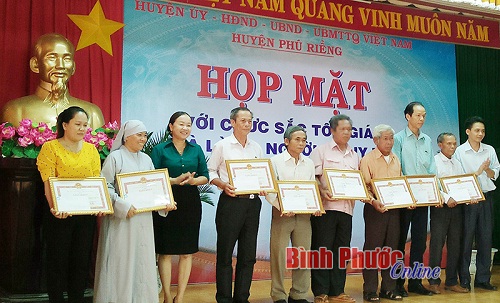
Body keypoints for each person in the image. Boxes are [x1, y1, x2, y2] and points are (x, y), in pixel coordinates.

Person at [93, 120, 176, 303]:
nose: (143, 139)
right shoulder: (115, 158)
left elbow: (155, 187)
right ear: (127, 136)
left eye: (145, 135)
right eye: (139, 135)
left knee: (143, 262)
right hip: (122, 222)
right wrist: (122, 206)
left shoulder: (146, 159)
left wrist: (164, 202)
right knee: (121, 262)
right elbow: (105, 186)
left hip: (144, 220)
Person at [36, 106, 101, 303]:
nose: (82, 129)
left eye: (85, 125)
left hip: (86, 216)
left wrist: (98, 204)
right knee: (58, 262)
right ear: (65, 125)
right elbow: (48, 183)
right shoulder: (50, 147)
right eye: (78, 124)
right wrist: (54, 208)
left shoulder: (91, 150)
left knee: (81, 262)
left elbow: (95, 181)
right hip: (60, 215)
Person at [207, 106, 264, 303]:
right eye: (243, 121)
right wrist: (222, 185)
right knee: (225, 254)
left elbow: (260, 174)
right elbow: (210, 172)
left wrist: (263, 185)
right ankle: (224, 298)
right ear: (232, 122)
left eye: (250, 121)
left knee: (248, 255)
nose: (247, 124)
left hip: (252, 204)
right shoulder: (222, 146)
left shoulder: (256, 147)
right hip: (230, 203)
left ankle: (242, 297)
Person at [151, 111, 209, 303]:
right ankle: (167, 296)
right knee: (166, 251)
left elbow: (205, 175)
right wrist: (174, 180)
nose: (185, 128)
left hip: (190, 202)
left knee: (186, 251)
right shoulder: (160, 150)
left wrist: (193, 181)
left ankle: (180, 297)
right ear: (171, 126)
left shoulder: (196, 149)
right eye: (181, 124)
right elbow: (153, 178)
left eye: (188, 125)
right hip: (166, 200)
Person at [0, 33, 104, 129]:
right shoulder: (15, 110)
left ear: (73, 67)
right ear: (35, 64)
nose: (60, 66)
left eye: (66, 59)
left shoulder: (92, 113)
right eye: (52, 58)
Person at [309, 114, 358, 303]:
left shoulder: (354, 155)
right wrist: (321, 190)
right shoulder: (321, 151)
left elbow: (358, 182)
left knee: (341, 251)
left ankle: (337, 291)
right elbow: (312, 178)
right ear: (333, 130)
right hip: (326, 210)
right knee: (323, 250)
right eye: (343, 129)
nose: (347, 133)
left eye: (350, 129)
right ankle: (320, 292)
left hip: (347, 210)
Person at [267, 126, 318, 303]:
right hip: (282, 214)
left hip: (304, 216)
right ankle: (279, 294)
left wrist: (315, 205)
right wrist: (280, 206)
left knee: (303, 255)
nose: (301, 143)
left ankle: (299, 294)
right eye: (297, 139)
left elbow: (312, 187)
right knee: (279, 255)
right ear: (286, 141)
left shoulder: (309, 163)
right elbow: (269, 190)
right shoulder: (275, 161)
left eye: (304, 140)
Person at [392, 102, 435, 296]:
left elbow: (431, 169)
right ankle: (398, 283)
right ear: (407, 116)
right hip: (405, 199)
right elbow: (396, 168)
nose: (421, 119)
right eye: (418, 115)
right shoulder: (398, 139)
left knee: (419, 241)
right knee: (400, 241)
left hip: (423, 198)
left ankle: (416, 282)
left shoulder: (427, 140)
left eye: (424, 115)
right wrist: (405, 194)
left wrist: (434, 192)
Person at [455, 116, 500, 291]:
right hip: (467, 199)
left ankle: (483, 278)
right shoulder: (459, 151)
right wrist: (479, 170)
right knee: (466, 239)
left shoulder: (489, 150)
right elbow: (459, 178)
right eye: (477, 130)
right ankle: (464, 279)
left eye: (482, 131)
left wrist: (487, 169)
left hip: (486, 197)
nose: (480, 133)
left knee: (485, 238)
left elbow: (495, 174)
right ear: (468, 131)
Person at [359, 124, 402, 302]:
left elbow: (400, 185)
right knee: (372, 249)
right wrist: (373, 201)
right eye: (385, 138)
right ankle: (369, 290)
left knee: (391, 249)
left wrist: (406, 200)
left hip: (394, 209)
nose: (389, 142)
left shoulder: (396, 159)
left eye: (391, 138)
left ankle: (388, 288)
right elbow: (364, 187)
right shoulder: (367, 159)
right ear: (376, 140)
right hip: (374, 208)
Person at [427, 133, 469, 294]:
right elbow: (433, 184)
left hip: (457, 207)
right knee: (437, 244)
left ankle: (451, 281)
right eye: (449, 144)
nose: (452, 147)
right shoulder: (434, 162)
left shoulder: (457, 163)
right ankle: (433, 281)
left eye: (454, 144)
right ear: (440, 145)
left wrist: (468, 196)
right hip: (440, 207)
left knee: (455, 244)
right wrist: (446, 198)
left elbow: (462, 183)